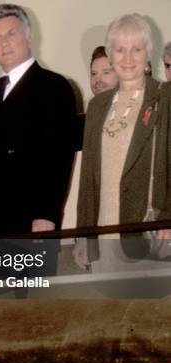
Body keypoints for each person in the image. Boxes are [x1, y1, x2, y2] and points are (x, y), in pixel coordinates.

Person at [75, 14, 171, 272]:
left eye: (136, 49)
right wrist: (83, 236)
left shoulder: (164, 98)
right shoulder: (96, 106)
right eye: (120, 49)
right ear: (110, 53)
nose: (127, 58)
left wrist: (167, 219)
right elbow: (87, 181)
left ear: (147, 53)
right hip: (103, 237)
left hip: (148, 235)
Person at [0, 4, 76, 239]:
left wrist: (47, 214)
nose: (3, 43)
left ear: (29, 37)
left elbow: (58, 156)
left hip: (29, 222)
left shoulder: (54, 87)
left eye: (11, 34)